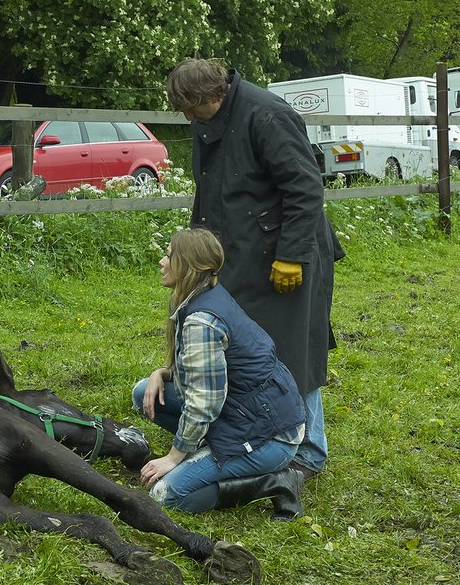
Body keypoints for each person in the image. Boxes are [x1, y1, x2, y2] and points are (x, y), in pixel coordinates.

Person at [166, 57, 338, 480]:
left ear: (214, 94)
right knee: (244, 345)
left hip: (287, 253)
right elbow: (211, 191)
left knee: (293, 346)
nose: (187, 117)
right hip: (237, 252)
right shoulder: (211, 119)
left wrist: (292, 255)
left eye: (191, 107)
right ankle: (250, 434)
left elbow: (305, 187)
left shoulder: (269, 115)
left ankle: (310, 450)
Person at [132, 228, 306, 519]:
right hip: (240, 411)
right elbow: (201, 371)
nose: (162, 262)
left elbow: (203, 401)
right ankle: (206, 452)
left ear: (189, 267)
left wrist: (174, 457)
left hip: (270, 435)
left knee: (166, 494)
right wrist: (160, 373)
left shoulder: (203, 321)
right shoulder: (196, 294)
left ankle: (273, 481)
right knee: (144, 394)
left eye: (170, 256)